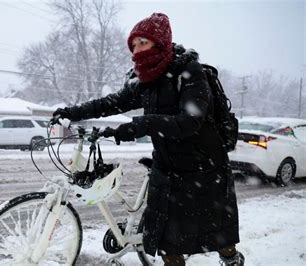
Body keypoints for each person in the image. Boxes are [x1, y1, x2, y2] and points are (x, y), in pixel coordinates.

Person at [51, 13, 244, 266]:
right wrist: (71, 112)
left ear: (160, 42)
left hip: (203, 168)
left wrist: (139, 125)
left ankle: (231, 259)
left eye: (144, 42)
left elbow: (190, 121)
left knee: (219, 237)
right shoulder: (146, 77)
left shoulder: (188, 72)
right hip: (167, 167)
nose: (137, 50)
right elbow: (112, 103)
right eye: (134, 45)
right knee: (168, 244)